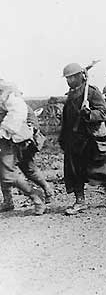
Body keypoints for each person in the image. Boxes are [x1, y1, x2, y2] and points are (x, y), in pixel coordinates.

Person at [59, 63, 106, 215]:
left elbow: (103, 113)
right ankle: (80, 201)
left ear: (80, 76)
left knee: (96, 170)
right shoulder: (70, 95)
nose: (69, 81)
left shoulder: (91, 92)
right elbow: (67, 119)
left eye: (72, 77)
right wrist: (63, 137)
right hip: (73, 140)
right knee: (74, 171)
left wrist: (89, 114)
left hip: (89, 139)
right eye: (67, 78)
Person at [0, 79, 46, 215]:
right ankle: (8, 202)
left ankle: (36, 197)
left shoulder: (5, 89)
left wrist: (3, 131)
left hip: (6, 138)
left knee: (8, 174)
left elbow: (18, 111)